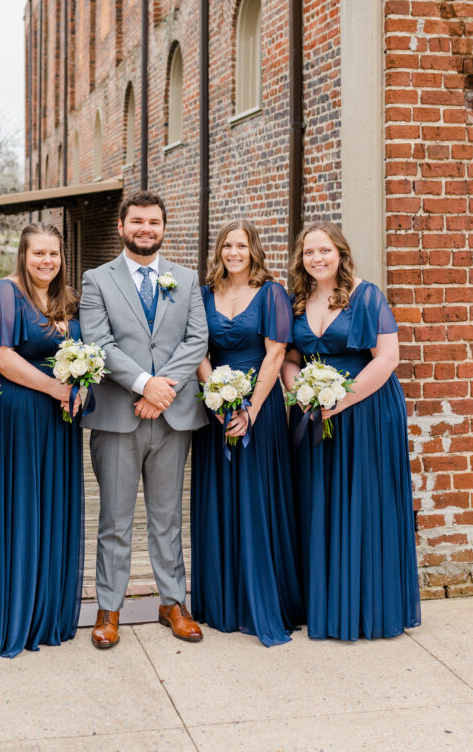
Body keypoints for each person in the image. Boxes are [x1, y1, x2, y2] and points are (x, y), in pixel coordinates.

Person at [80, 191, 209, 649]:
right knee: (114, 519)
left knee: (167, 517)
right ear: (122, 226)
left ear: (163, 227)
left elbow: (197, 339)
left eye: (154, 222)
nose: (146, 229)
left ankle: (172, 602)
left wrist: (163, 388)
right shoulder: (97, 280)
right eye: (137, 221)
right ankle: (108, 608)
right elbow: (99, 342)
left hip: (172, 416)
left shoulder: (186, 279)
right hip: (119, 415)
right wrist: (141, 384)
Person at [282, 221, 421, 640]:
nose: (317, 259)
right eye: (309, 253)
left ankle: (366, 607)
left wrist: (339, 401)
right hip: (314, 413)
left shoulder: (367, 296)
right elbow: (290, 358)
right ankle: (324, 602)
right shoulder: (299, 300)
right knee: (320, 503)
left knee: (363, 503)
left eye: (324, 251)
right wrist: (300, 394)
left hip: (366, 411)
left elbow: (387, 358)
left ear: (340, 253)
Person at [0, 222, 84, 656]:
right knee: (19, 508)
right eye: (38, 253)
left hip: (59, 422)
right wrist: (55, 387)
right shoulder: (4, 293)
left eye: (53, 254)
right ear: (23, 254)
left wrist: (83, 385)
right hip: (18, 416)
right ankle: (13, 615)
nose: (46, 261)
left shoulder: (65, 298)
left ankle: (46, 612)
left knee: (50, 507)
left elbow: (83, 353)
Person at [191, 220, 303, 646]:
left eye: (241, 245)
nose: (233, 253)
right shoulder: (205, 295)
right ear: (219, 252)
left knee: (257, 497)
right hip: (217, 408)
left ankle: (264, 599)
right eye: (226, 246)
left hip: (262, 406)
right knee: (220, 497)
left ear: (253, 250)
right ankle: (224, 602)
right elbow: (199, 351)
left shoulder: (272, 293)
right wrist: (216, 396)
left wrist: (251, 410)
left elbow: (275, 356)